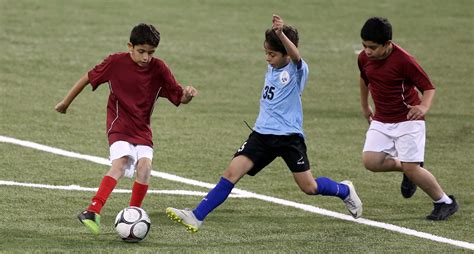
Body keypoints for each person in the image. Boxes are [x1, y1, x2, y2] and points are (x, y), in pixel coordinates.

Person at [166, 15, 363, 233]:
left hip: (289, 138)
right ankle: (196, 216)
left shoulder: (297, 71)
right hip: (261, 135)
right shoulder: (273, 66)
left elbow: (297, 57)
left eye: (272, 54)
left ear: (286, 52)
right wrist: (275, 39)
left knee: (309, 187)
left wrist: (281, 35)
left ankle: (344, 190)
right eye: (266, 53)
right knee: (231, 173)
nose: (267, 58)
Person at [55, 23, 198, 235]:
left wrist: (187, 95)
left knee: (145, 167)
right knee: (120, 164)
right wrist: (65, 104)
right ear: (130, 46)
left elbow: (178, 96)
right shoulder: (115, 63)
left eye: (151, 53)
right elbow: (88, 78)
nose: (146, 57)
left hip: (142, 130)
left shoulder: (159, 69)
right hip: (119, 126)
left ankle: (134, 213)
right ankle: (93, 210)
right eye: (141, 51)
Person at [357, 17, 458, 220]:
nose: (367, 51)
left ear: (388, 44)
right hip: (381, 119)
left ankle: (445, 202)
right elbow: (364, 78)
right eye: (364, 46)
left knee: (413, 169)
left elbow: (428, 87)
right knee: (371, 161)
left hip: (408, 119)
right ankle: (408, 168)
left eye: (372, 47)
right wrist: (365, 105)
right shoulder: (364, 58)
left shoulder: (404, 60)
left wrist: (423, 106)